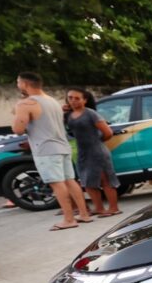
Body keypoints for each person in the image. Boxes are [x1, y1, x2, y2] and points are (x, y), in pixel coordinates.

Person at [11, 72, 93, 230]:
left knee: (57, 183)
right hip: (63, 146)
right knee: (70, 181)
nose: (17, 85)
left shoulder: (25, 104)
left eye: (18, 82)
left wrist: (16, 114)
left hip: (46, 149)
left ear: (24, 84)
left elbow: (18, 129)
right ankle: (84, 214)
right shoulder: (52, 101)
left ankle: (69, 219)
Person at [66, 88, 121, 216]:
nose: (73, 101)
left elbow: (108, 133)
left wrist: (97, 142)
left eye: (77, 98)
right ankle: (99, 208)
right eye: (70, 98)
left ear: (85, 100)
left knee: (105, 180)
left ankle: (113, 208)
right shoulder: (69, 115)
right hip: (82, 152)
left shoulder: (91, 113)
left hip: (97, 151)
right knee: (88, 181)